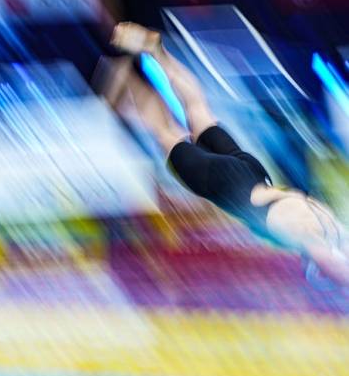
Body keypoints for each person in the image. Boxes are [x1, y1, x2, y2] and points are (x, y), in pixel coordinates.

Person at [105, 22, 348, 282]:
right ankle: (121, 69)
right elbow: (334, 265)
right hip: (225, 184)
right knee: (166, 132)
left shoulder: (333, 224)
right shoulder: (308, 236)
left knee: (199, 111)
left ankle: (158, 53)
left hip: (253, 174)